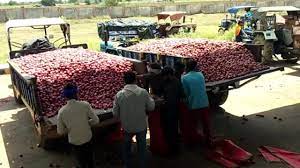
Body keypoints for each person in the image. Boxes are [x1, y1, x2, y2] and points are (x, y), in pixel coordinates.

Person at [113, 71, 155, 168]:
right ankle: (142, 165)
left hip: (127, 127)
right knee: (142, 149)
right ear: (135, 80)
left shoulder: (119, 95)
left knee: (126, 148)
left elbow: (115, 113)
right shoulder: (143, 92)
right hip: (141, 126)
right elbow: (151, 107)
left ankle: (127, 165)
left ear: (124, 81)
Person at [57, 83, 99, 168]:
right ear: (76, 93)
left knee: (81, 161)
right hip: (87, 138)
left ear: (65, 96)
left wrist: (69, 128)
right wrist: (86, 123)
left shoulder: (62, 111)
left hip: (74, 141)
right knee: (90, 159)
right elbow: (96, 121)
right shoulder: (85, 105)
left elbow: (60, 132)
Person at [181, 60, 212, 146]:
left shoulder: (184, 78)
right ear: (195, 67)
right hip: (204, 103)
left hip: (193, 104)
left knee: (193, 125)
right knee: (206, 124)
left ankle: (193, 142)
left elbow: (185, 93)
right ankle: (208, 140)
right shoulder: (201, 75)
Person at [160, 67, 185, 155]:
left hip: (172, 110)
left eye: (164, 76)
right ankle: (172, 147)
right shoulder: (171, 81)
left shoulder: (175, 83)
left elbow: (181, 95)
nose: (163, 78)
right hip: (169, 109)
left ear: (169, 75)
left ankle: (173, 150)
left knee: (171, 130)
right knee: (170, 130)